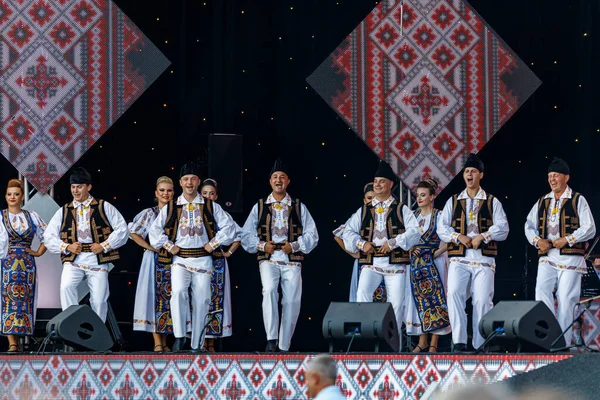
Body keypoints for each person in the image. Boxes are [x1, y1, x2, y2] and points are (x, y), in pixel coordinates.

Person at [149, 161, 236, 352]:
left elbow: (229, 228)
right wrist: (168, 245)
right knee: (178, 293)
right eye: (186, 179)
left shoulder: (210, 205)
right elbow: (154, 231)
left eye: (193, 179)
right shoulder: (172, 206)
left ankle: (197, 343)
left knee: (203, 299)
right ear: (180, 182)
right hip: (180, 260)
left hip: (203, 259)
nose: (189, 183)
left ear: (198, 182)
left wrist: (213, 244)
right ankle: (180, 337)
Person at [241, 158, 319, 352]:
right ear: (270, 182)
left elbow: (313, 235)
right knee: (268, 291)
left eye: (282, 177)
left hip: (291, 260)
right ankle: (271, 339)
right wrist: (261, 245)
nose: (278, 180)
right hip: (269, 259)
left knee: (292, 300)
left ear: (288, 181)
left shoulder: (299, 206)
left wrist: (294, 246)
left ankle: (284, 345)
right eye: (275, 177)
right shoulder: (260, 206)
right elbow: (245, 235)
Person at [343, 160, 420, 351]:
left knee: (396, 307)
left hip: (395, 265)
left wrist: (393, 243)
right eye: (375, 181)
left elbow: (415, 232)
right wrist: (362, 244)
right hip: (371, 262)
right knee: (362, 294)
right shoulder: (363, 210)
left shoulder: (401, 208)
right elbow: (347, 232)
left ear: (390, 185)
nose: (377, 184)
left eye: (381, 181)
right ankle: (365, 342)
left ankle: (394, 348)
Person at [438, 153, 509, 351]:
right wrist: (457, 237)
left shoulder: (491, 201)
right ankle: (459, 341)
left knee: (481, 300)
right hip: (459, 259)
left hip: (483, 259)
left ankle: (480, 343)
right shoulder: (453, 201)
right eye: (467, 171)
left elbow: (503, 228)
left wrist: (483, 236)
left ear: (481, 175)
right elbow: (441, 228)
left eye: (473, 171)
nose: (469, 175)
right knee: (453, 293)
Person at [524, 157, 596, 346]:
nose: (552, 179)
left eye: (556, 175)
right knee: (541, 292)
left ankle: (562, 343)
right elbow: (528, 225)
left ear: (566, 177)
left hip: (571, 258)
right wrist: (537, 241)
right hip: (547, 256)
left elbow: (590, 228)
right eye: (550, 176)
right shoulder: (543, 201)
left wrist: (568, 239)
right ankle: (548, 337)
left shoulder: (577, 199)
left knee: (566, 298)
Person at [44, 167, 128, 322]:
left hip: (97, 259)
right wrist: (66, 247)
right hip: (74, 259)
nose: (75, 191)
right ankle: (72, 325)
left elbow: (123, 229)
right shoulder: (65, 210)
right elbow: (48, 236)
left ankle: (96, 335)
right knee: (66, 287)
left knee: (99, 300)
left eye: (79, 186)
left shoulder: (103, 206)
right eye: (73, 187)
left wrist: (104, 245)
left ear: (88, 187)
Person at [0, 179, 47, 352]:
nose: (12, 197)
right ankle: (12, 342)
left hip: (27, 265)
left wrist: (39, 251)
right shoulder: (1, 216)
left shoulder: (31, 216)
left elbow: (48, 235)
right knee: (6, 300)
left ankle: (22, 339)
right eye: (9, 194)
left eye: (16, 194)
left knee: (24, 301)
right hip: (6, 264)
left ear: (22, 197)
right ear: (5, 196)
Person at [130, 176, 176, 352]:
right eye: (162, 190)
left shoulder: (178, 212)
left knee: (170, 299)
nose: (166, 193)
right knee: (154, 297)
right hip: (154, 259)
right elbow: (133, 232)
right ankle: (157, 341)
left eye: (169, 190)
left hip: (174, 260)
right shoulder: (150, 213)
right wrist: (149, 247)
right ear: (156, 193)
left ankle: (166, 341)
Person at [405, 178, 451, 352]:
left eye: (423, 195)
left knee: (436, 299)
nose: (419, 199)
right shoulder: (412, 216)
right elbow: (405, 239)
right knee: (420, 300)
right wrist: (411, 249)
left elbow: (449, 239)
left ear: (432, 196)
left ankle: (434, 343)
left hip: (435, 262)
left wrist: (435, 253)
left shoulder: (439, 216)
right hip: (417, 264)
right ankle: (422, 341)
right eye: (418, 195)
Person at [199, 178, 242, 352]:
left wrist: (228, 252)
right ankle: (200, 341)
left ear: (216, 196)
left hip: (217, 261)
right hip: (198, 260)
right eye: (204, 193)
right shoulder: (194, 212)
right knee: (199, 299)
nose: (208, 196)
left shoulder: (221, 214)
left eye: (211, 193)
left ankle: (212, 343)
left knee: (215, 300)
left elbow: (238, 234)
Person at [333, 182, 386, 303]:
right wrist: (354, 254)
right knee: (364, 297)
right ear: (364, 200)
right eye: (369, 198)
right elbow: (338, 235)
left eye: (375, 197)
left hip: (384, 261)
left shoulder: (386, 214)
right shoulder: (359, 215)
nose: (372, 201)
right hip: (364, 262)